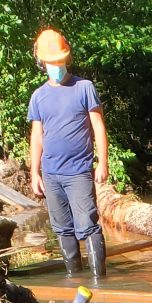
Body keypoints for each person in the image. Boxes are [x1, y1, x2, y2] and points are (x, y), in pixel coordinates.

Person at [27, 28, 108, 281]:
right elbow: (37, 136)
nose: (57, 67)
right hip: (51, 175)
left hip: (79, 172)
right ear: (42, 63)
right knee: (63, 229)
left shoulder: (84, 87)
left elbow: (98, 126)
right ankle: (74, 280)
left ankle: (99, 282)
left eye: (60, 62)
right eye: (52, 63)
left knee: (88, 225)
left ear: (67, 59)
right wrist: (34, 172)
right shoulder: (38, 97)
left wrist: (102, 163)